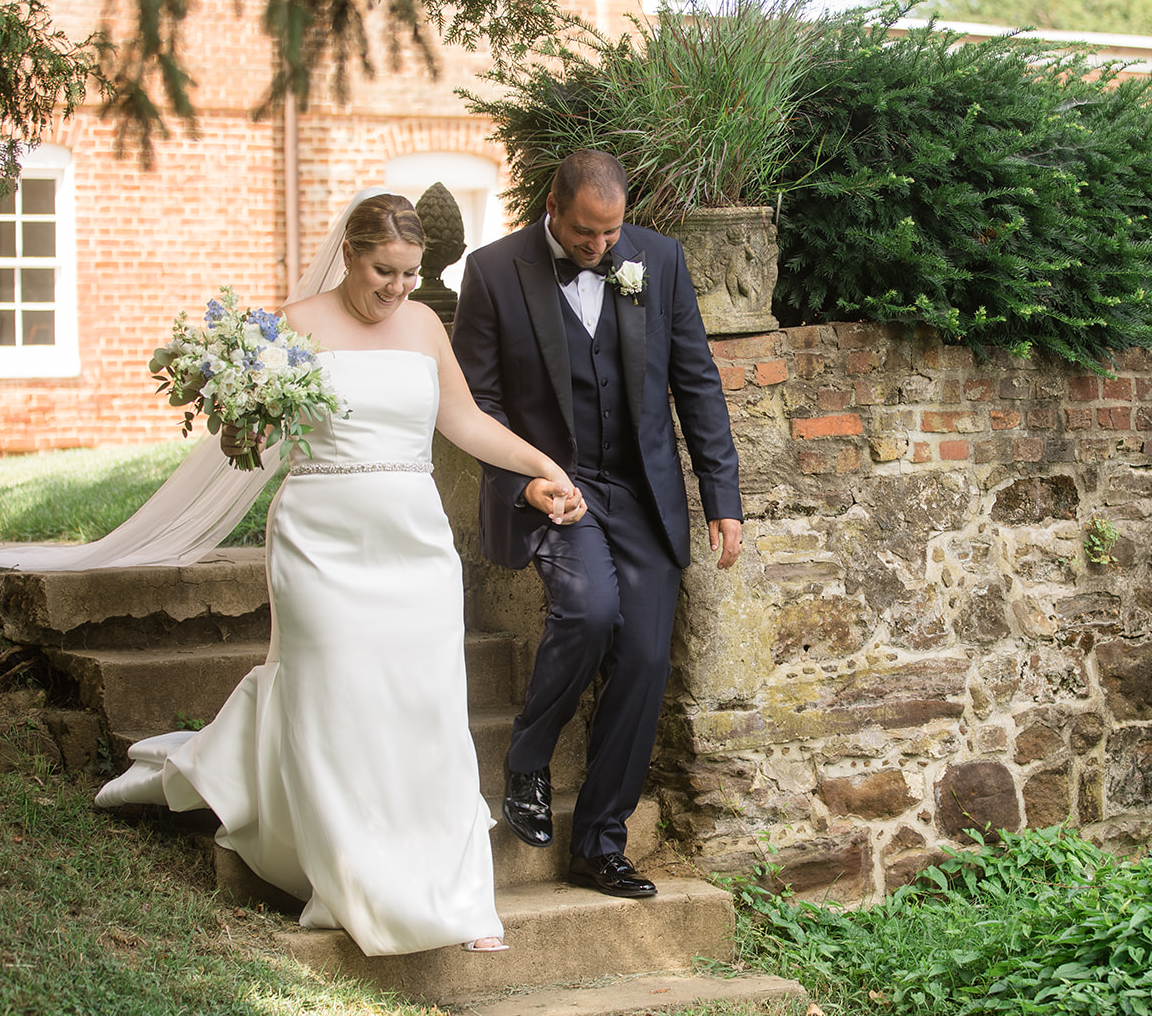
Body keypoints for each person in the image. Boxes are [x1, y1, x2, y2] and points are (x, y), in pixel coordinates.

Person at [95, 193, 585, 956]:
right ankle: (354, 879)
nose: (397, 287)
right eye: (383, 270)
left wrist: (541, 464)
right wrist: (238, 411)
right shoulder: (292, 325)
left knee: (424, 708)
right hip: (320, 542)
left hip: (412, 543)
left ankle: (453, 892)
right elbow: (246, 441)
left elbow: (462, 421)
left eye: (410, 272)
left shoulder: (424, 324)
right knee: (337, 701)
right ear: (349, 254)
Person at [451, 150, 743, 899]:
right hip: (556, 485)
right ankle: (528, 755)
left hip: (641, 490)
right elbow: (475, 404)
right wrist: (528, 483)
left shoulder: (661, 260)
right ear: (553, 206)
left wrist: (723, 494)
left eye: (611, 234)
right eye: (586, 232)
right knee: (588, 609)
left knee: (645, 658)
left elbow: (697, 380)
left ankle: (600, 843)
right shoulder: (491, 273)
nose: (600, 247)